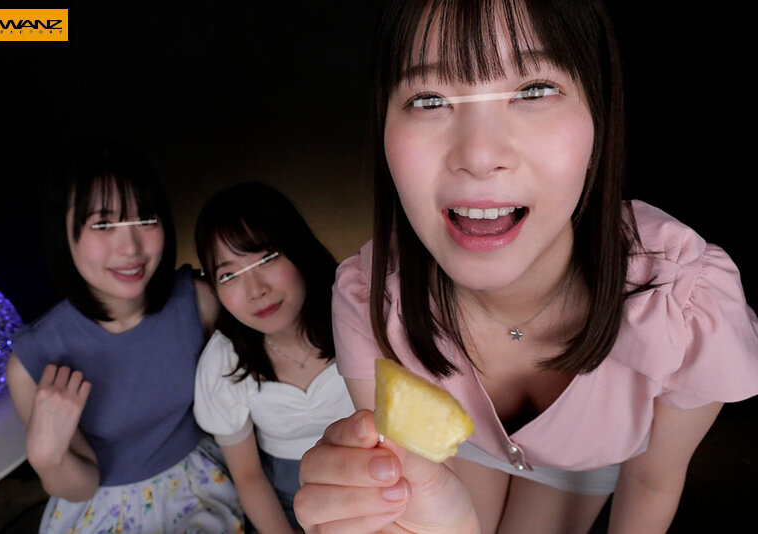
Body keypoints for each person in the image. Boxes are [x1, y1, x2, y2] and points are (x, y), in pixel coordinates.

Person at [294, 1, 758, 533]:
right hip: (465, 451)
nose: (479, 156)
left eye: (534, 90)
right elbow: (416, 489)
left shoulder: (686, 303)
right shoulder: (370, 296)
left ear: (598, 114)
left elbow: (652, 482)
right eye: (429, 99)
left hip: (583, 466)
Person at [8, 141, 243, 533]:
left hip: (201, 486)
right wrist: (47, 458)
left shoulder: (198, 302)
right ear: (63, 233)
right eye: (103, 225)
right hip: (102, 507)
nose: (131, 247)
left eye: (146, 220)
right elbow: (81, 487)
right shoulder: (35, 359)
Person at [193, 183, 355, 533]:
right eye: (228, 275)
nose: (256, 290)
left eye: (266, 258)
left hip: (376, 475)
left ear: (298, 249)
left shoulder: (357, 315)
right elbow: (248, 476)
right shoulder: (224, 362)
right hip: (287, 500)